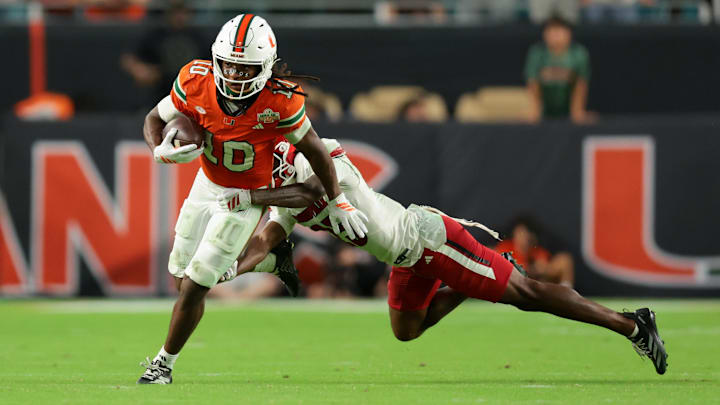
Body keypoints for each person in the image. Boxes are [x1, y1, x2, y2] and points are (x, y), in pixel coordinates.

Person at [223, 138, 668, 376]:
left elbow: (313, 190)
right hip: (404, 257)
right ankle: (469, 285)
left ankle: (632, 324)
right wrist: (228, 267)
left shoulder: (323, 163)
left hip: (429, 241)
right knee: (406, 330)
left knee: (527, 294)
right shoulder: (284, 197)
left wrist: (248, 195)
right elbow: (266, 239)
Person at [137, 14, 369, 385]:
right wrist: (158, 150)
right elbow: (154, 117)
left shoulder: (281, 100)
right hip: (206, 184)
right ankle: (270, 260)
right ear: (216, 58)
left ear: (265, 67)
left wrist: (337, 199)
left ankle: (162, 364)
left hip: (248, 197)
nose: (233, 74)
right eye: (228, 64)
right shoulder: (195, 79)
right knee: (180, 279)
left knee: (197, 283)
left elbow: (316, 151)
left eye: (244, 68)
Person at [120, 1, 205, 109]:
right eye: (175, 12)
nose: (179, 17)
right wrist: (140, 69)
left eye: (183, 12)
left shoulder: (198, 38)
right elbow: (129, 58)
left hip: (192, 97)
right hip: (160, 94)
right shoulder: (156, 35)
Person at [525, 16, 594, 124]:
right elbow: (532, 83)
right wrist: (535, 110)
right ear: (545, 34)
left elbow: (581, 84)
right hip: (544, 113)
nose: (555, 35)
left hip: (568, 113)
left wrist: (577, 111)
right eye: (551, 31)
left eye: (560, 31)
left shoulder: (579, 54)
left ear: (569, 34)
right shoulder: (537, 53)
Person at [495, 215, 574, 287]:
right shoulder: (505, 248)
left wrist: (540, 270)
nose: (525, 237)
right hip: (512, 287)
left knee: (565, 260)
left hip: (535, 287)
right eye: (521, 233)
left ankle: (566, 293)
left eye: (528, 234)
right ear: (514, 234)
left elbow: (544, 269)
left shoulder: (536, 251)